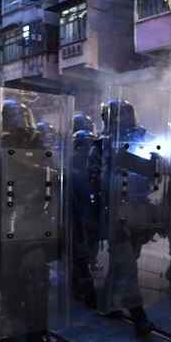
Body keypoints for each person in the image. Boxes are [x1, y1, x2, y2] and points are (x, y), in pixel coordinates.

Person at [0, 99, 61, 342]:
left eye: (18, 116)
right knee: (7, 283)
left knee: (37, 278)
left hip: (33, 221)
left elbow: (56, 176)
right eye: (10, 117)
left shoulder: (38, 143)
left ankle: (38, 334)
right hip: (2, 222)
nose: (16, 123)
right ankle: (13, 330)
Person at [88, 99, 156, 337]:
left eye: (127, 113)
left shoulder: (144, 138)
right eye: (119, 115)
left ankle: (107, 303)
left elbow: (159, 169)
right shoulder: (100, 146)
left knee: (126, 261)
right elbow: (93, 183)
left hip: (139, 209)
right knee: (127, 265)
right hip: (115, 211)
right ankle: (139, 315)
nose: (124, 119)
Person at [70, 114, 97, 308]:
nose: (89, 149)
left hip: (89, 216)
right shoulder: (71, 168)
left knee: (86, 255)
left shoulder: (90, 166)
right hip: (76, 219)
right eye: (85, 145)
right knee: (80, 257)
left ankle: (82, 287)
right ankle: (84, 290)